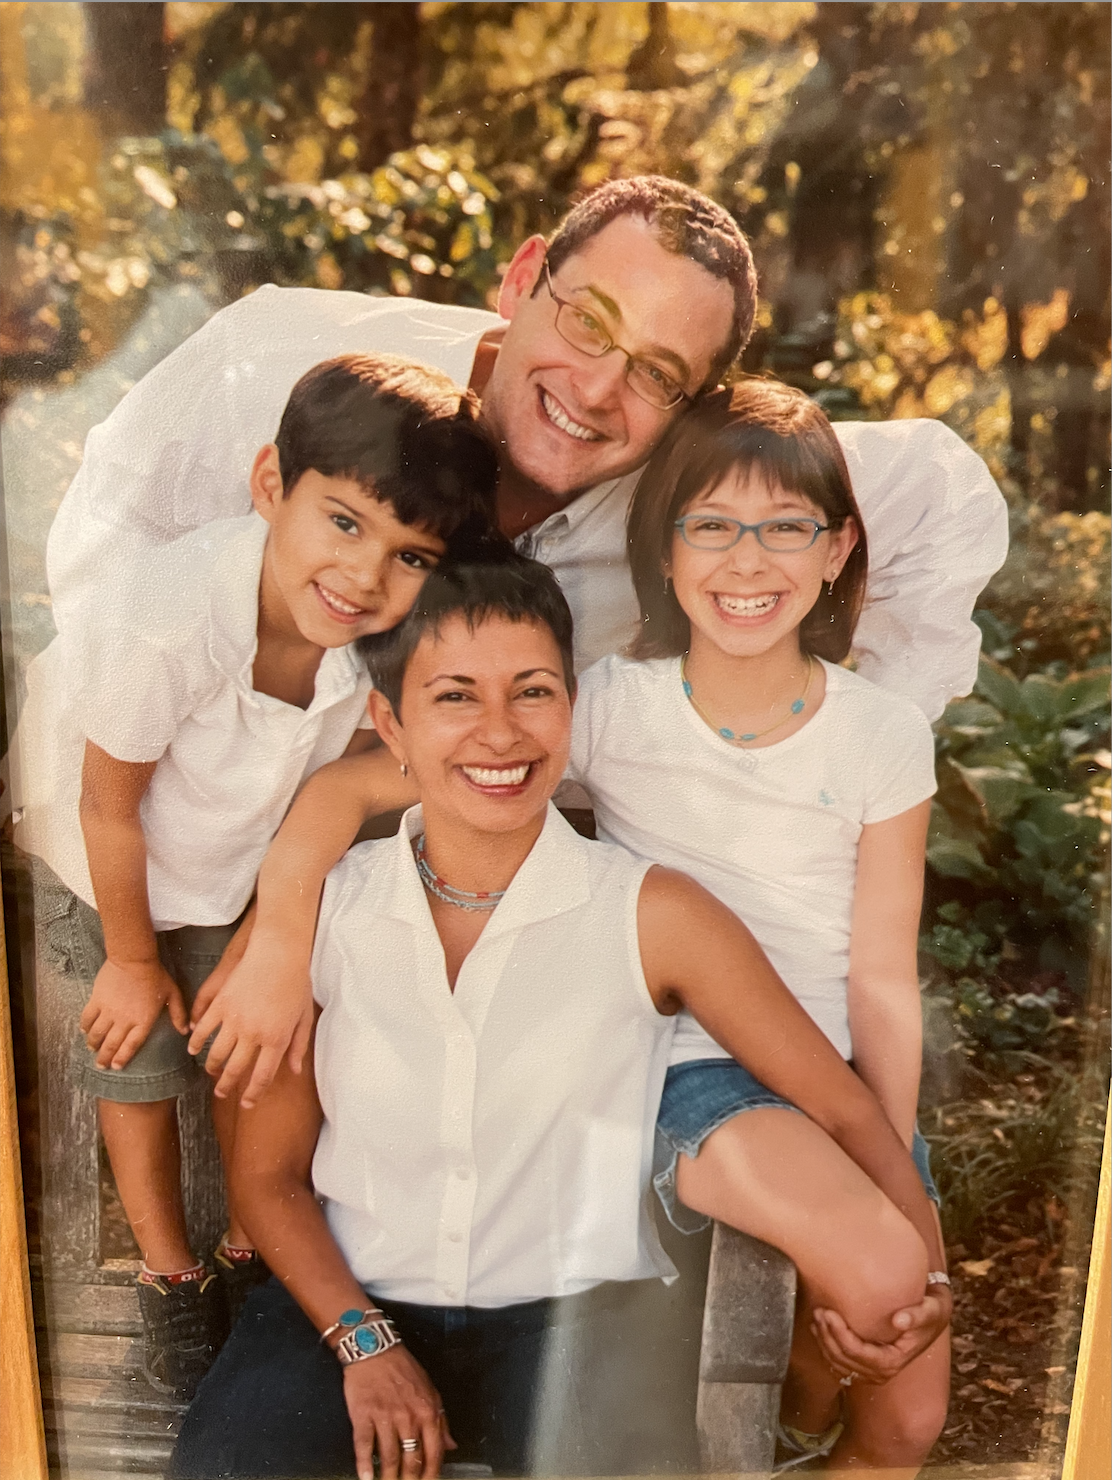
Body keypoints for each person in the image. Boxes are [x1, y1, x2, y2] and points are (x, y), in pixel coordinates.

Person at [150, 175, 1005, 1097]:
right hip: (197, 868)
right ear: (523, 280)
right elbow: (125, 576)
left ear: (692, 408)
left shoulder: (691, 515)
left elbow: (939, 496)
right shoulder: (326, 381)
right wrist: (277, 923)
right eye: (589, 322)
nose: (598, 390)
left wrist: (817, 737)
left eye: (657, 373)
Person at [169, 543, 950, 1480]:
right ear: (391, 722)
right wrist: (364, 1346)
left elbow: (839, 1105)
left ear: (572, 711)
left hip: (581, 1328)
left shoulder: (655, 914)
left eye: (532, 691)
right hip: (343, 1305)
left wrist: (927, 1276)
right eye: (455, 696)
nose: (500, 733)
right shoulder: (324, 914)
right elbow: (270, 1178)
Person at [9, 353, 498, 1399]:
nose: (366, 575)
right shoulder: (173, 612)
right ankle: (168, 1269)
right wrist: (134, 959)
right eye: (343, 522)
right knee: (137, 1056)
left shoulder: (373, 635)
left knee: (262, 1043)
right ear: (270, 484)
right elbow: (108, 802)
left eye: (409, 554)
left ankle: (248, 1245)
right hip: (109, 861)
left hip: (235, 858)